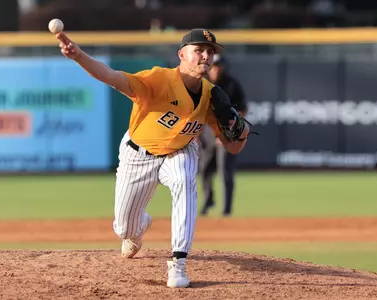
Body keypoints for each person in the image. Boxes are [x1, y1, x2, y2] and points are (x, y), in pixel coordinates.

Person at [56, 28, 251, 288]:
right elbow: (113, 78)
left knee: (184, 180)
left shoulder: (212, 97)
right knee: (124, 229)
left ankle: (178, 263)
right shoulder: (158, 79)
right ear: (182, 54)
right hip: (138, 155)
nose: (206, 56)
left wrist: (242, 129)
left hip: (179, 151)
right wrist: (79, 56)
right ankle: (138, 227)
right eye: (199, 50)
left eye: (210, 52)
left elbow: (233, 147)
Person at [198, 54, 247, 217]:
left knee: (225, 171)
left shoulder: (231, 84)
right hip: (206, 132)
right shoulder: (201, 83)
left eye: (219, 65)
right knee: (204, 169)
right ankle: (208, 200)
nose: (217, 68)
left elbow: (241, 109)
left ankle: (226, 209)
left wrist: (231, 132)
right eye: (214, 65)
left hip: (226, 131)